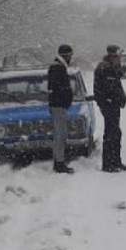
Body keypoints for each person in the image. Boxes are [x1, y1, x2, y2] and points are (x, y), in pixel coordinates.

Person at [94, 44, 126, 172]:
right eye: (118, 57)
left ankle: (116, 161)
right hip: (109, 106)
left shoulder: (109, 67)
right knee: (110, 134)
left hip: (112, 105)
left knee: (116, 133)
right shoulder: (106, 68)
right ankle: (108, 164)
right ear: (112, 56)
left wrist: (121, 72)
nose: (119, 59)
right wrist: (114, 100)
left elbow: (113, 80)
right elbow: (110, 88)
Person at [48, 44, 75, 174]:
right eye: (70, 55)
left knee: (61, 133)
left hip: (59, 105)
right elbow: (60, 88)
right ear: (66, 55)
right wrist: (66, 97)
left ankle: (60, 160)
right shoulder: (58, 69)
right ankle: (59, 162)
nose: (71, 58)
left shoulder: (58, 67)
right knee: (60, 134)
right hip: (58, 106)